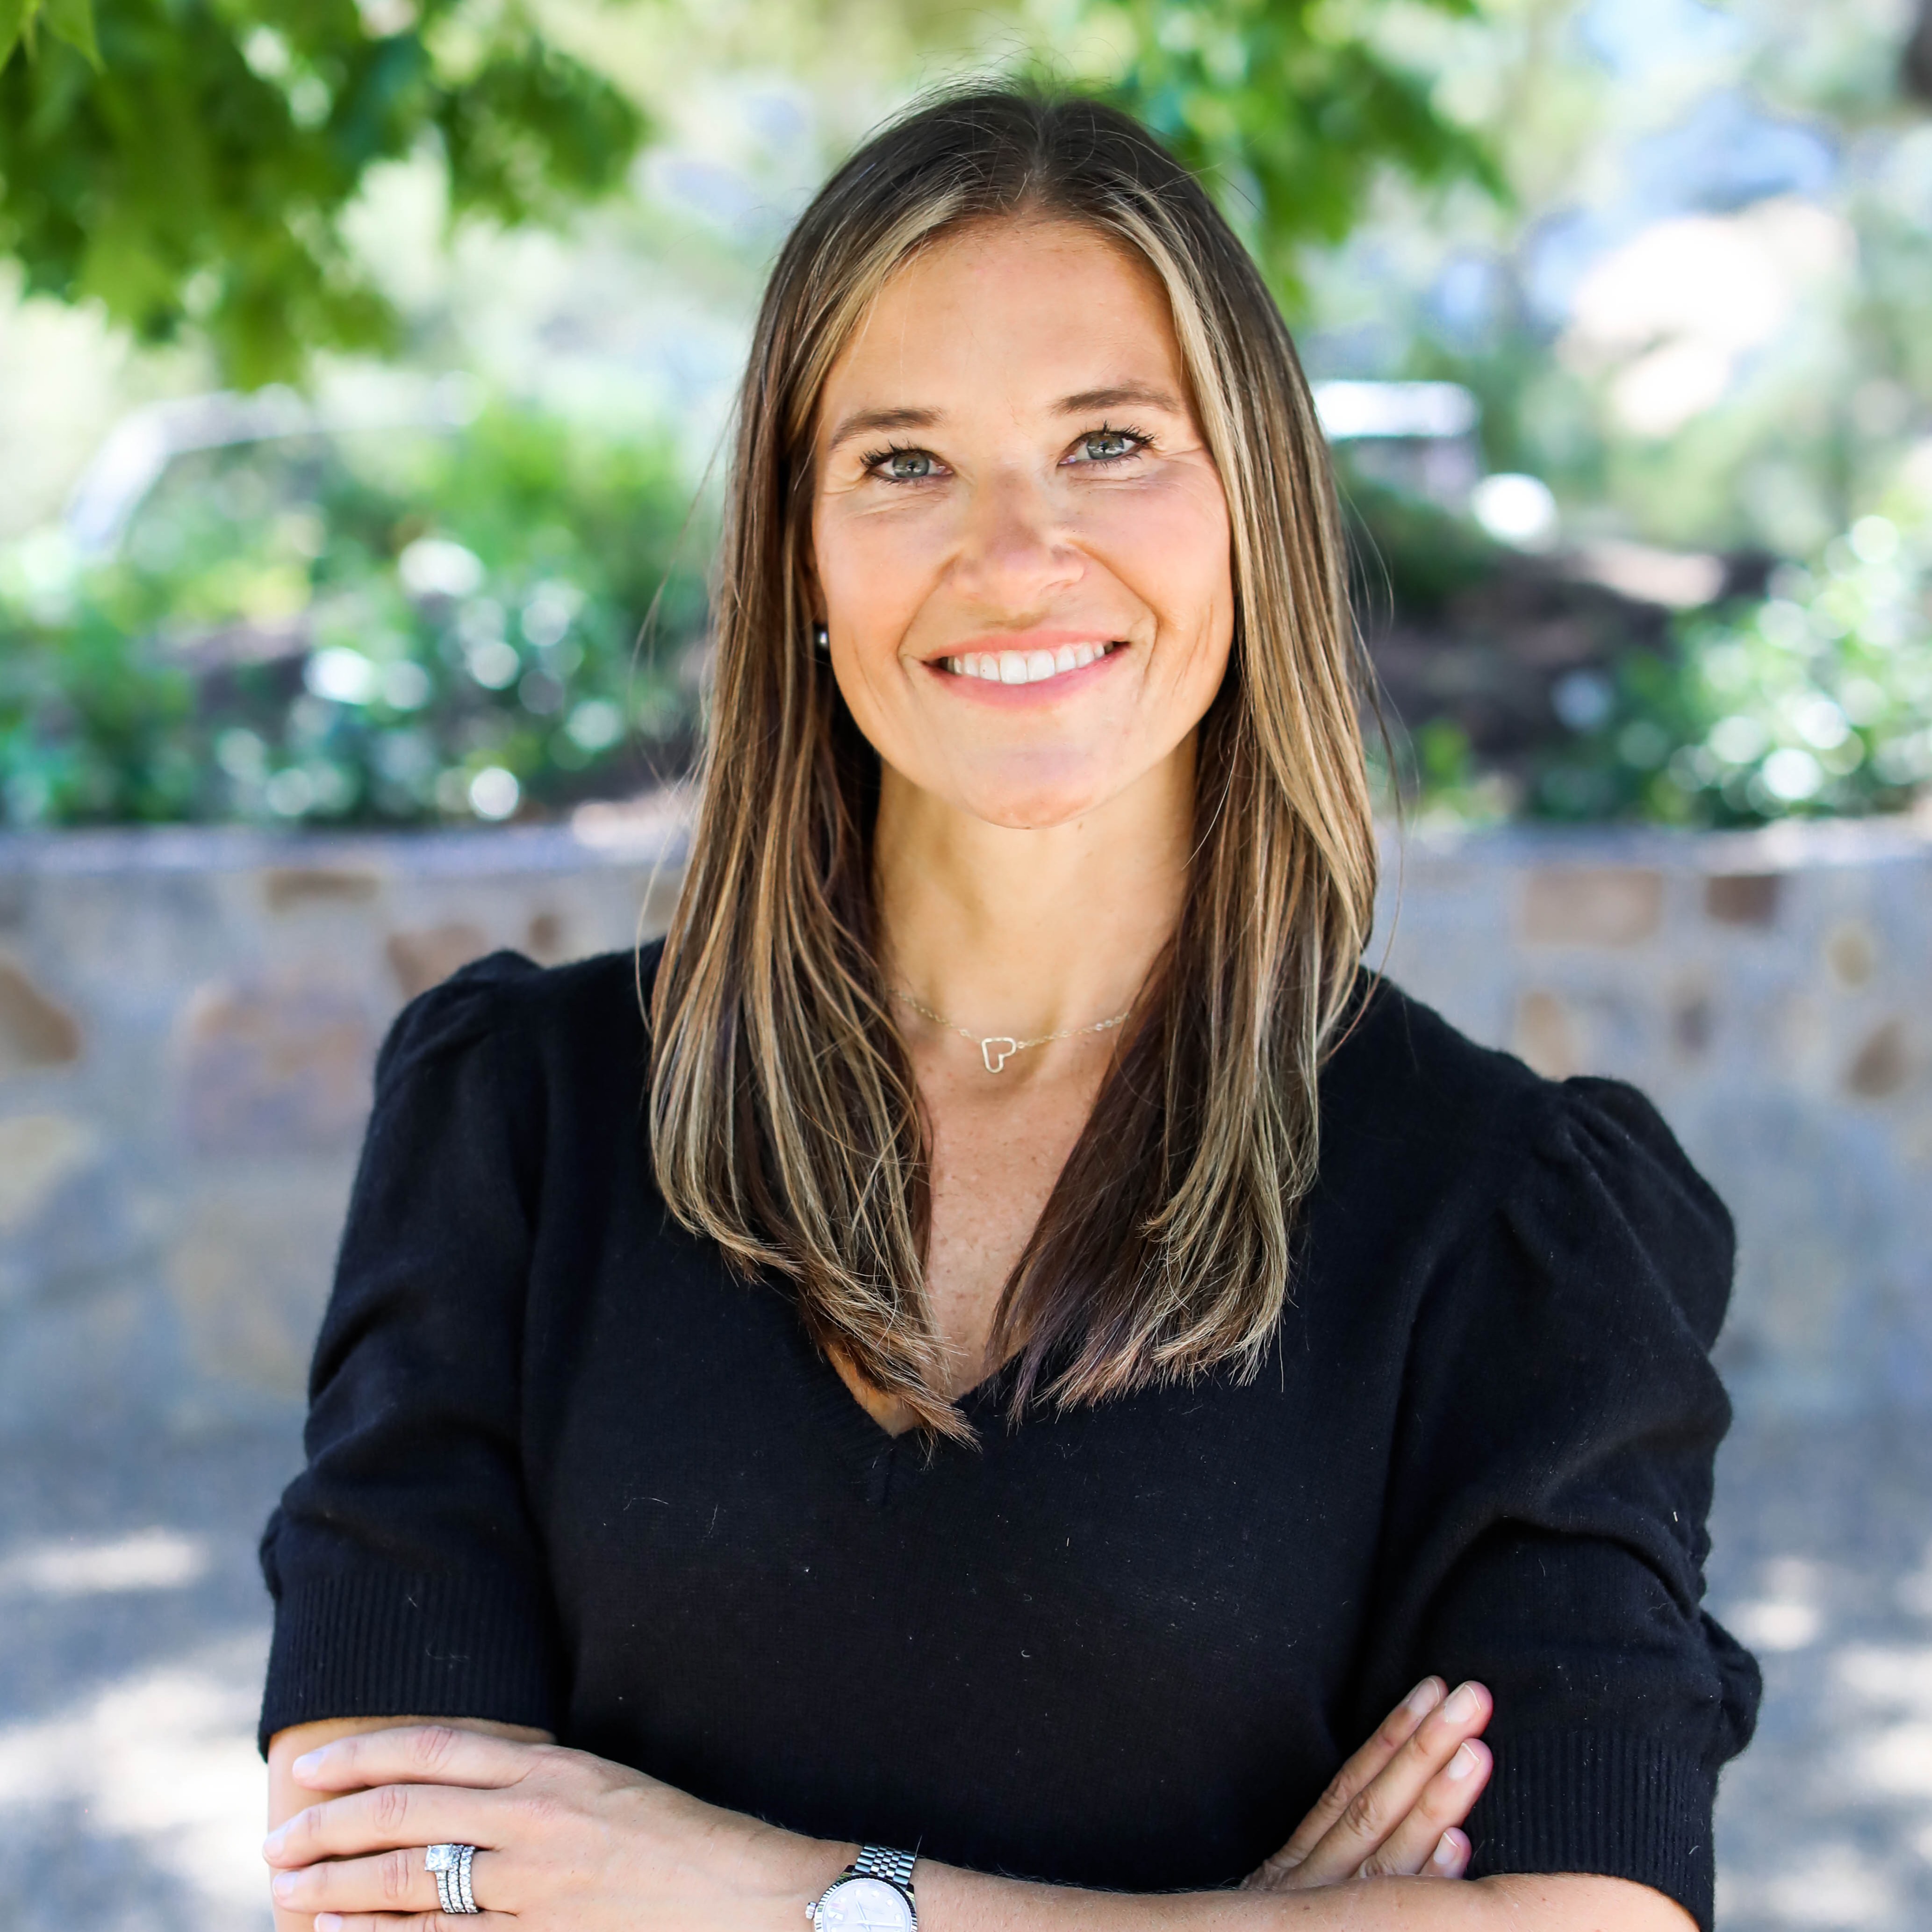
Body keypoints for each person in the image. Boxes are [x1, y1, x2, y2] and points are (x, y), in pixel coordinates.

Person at [258, 86, 1759, 1932]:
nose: (1015, 551)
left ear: (1251, 509)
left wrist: (778, 1892)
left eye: (1110, 440)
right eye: (901, 461)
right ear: (797, 545)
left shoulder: (1507, 1216)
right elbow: (382, 1881)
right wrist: (1241, 1915)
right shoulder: (522, 1127)